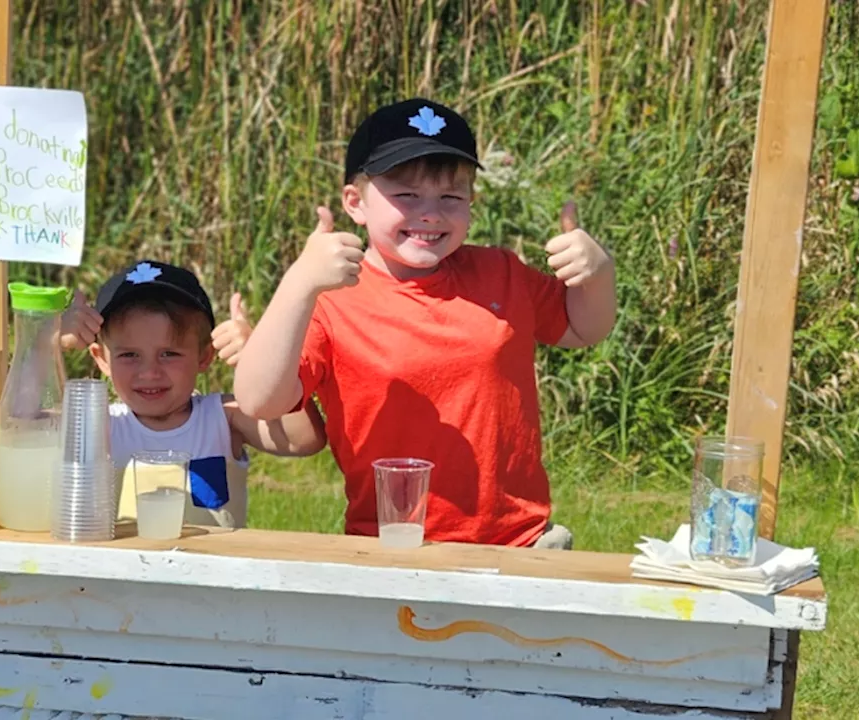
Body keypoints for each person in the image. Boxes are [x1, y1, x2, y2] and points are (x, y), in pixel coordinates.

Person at [233, 98, 616, 548]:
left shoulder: (502, 272)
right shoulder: (331, 300)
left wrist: (598, 274)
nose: (430, 213)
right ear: (356, 203)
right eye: (406, 195)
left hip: (520, 543)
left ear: (472, 203)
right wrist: (298, 283)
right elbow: (259, 399)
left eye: (450, 197)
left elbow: (583, 327)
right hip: (391, 543)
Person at [60, 260, 327, 529]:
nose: (150, 372)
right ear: (102, 359)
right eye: (129, 355)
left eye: (169, 354)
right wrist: (49, 344)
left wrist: (261, 360)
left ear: (204, 356)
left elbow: (303, 438)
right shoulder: (99, 428)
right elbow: (26, 425)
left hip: (214, 569)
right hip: (120, 570)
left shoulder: (222, 419)